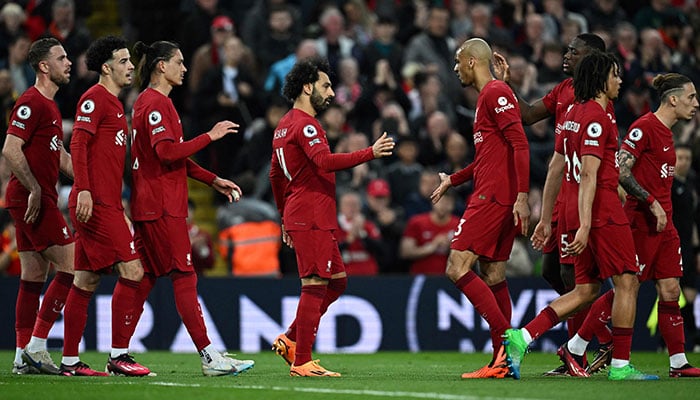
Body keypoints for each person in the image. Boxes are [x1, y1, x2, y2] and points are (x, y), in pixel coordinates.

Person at [504, 50, 658, 381]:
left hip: (572, 209)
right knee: (628, 281)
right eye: (615, 75)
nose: (619, 81)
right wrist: (586, 225)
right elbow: (589, 174)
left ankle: (523, 337)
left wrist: (548, 218)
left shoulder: (572, 113)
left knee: (585, 291)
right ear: (602, 79)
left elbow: (556, 166)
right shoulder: (598, 118)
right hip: (600, 212)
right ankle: (620, 366)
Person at [127, 39, 253, 377]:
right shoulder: (155, 104)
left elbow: (174, 157)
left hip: (152, 204)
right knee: (184, 275)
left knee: (146, 277)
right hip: (161, 207)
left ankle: (118, 353)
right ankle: (210, 357)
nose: (185, 68)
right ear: (160, 67)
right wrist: (210, 136)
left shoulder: (156, 103)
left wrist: (213, 180)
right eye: (179, 62)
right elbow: (168, 153)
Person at [493, 33, 614, 376]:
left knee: (580, 277)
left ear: (592, 59)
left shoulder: (599, 102)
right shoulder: (564, 90)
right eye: (567, 50)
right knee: (552, 272)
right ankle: (595, 338)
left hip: (584, 195)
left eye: (575, 52)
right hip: (564, 194)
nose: (567, 55)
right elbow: (529, 114)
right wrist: (506, 87)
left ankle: (579, 350)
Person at [269, 56, 394, 377]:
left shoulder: (283, 126)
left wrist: (284, 216)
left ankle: (291, 338)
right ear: (307, 87)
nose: (330, 92)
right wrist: (370, 152)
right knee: (314, 283)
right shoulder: (306, 124)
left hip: (306, 213)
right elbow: (324, 162)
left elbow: (276, 177)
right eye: (325, 86)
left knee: (337, 283)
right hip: (311, 213)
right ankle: (302, 361)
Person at [571, 73, 700, 377]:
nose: (696, 104)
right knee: (626, 288)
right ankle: (577, 345)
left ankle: (678, 362)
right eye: (691, 97)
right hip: (641, 221)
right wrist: (650, 201)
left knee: (670, 289)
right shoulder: (645, 127)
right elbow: (620, 167)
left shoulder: (669, 134)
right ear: (673, 99)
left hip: (664, 226)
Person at [430, 38, 530, 379]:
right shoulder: (494, 95)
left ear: (472, 62)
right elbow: (487, 157)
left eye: (459, 62)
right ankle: (501, 361)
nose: (456, 68)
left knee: (456, 267)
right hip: (498, 194)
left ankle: (509, 341)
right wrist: (453, 181)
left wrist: (522, 195)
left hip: (493, 197)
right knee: (493, 275)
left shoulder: (494, 94)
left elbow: (520, 143)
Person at [57, 36, 150, 377]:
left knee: (86, 279)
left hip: (106, 201)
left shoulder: (112, 103)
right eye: (124, 61)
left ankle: (69, 362)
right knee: (134, 271)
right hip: (93, 202)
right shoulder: (95, 98)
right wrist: (82, 190)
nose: (131, 67)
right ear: (107, 67)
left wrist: (119, 204)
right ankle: (119, 355)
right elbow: (78, 142)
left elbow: (106, 163)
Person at [2, 37, 75, 375]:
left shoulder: (50, 105)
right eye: (61, 58)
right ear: (44, 66)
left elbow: (58, 155)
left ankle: (21, 355)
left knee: (33, 274)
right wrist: (33, 188)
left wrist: (90, 180)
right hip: (33, 196)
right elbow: (10, 149)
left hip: (29, 196)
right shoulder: (31, 102)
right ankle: (37, 346)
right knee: (71, 266)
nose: (69, 63)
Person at [400, 189, 459, 275]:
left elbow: (468, 256)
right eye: (440, 201)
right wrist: (432, 246)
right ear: (433, 202)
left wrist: (452, 247)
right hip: (420, 277)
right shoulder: (417, 222)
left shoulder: (459, 224)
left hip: (449, 279)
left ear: (453, 205)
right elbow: (405, 252)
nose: (443, 206)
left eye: (447, 203)